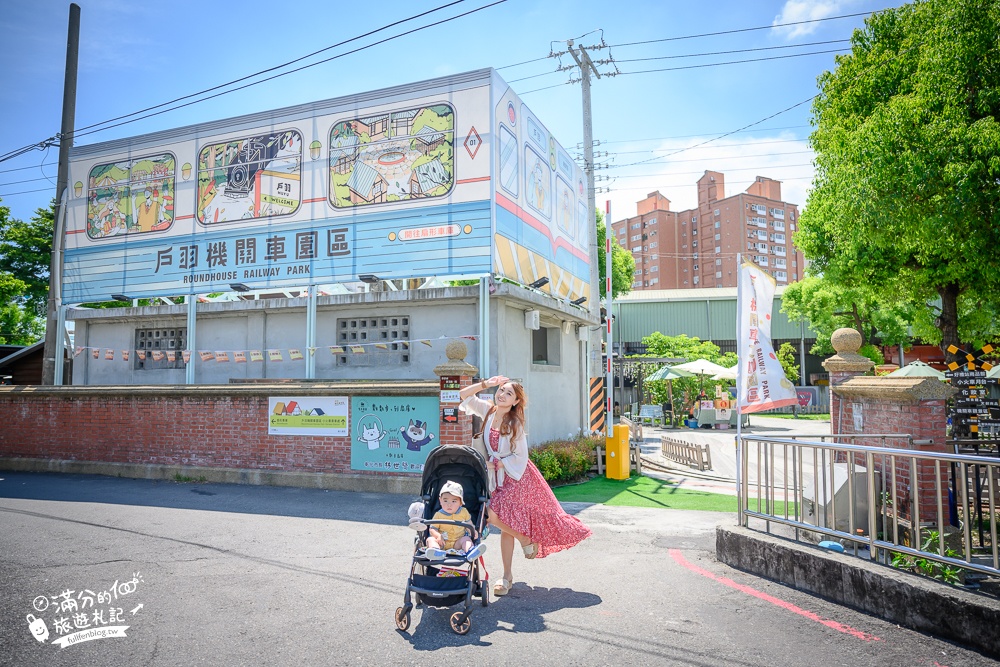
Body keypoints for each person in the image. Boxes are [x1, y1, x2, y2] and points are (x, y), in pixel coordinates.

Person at [459, 375, 591, 597]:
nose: (501, 395)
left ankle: (510, 567)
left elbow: (521, 455)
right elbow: (463, 395)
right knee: (502, 521)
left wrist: (501, 462)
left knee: (492, 516)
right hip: (497, 479)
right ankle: (510, 569)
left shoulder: (515, 423)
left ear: (516, 402)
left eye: (508, 393)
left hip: (517, 477)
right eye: (500, 390)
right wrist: (486, 384)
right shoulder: (489, 412)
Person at [424, 480, 475, 555]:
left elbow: (469, 524)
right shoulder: (438, 515)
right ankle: (435, 552)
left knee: (466, 539)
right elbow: (432, 529)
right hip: (441, 543)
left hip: (457, 543)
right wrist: (438, 536)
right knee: (430, 539)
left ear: (460, 502)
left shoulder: (464, 512)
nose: (449, 505)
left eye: (454, 501)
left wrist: (473, 531)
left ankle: (470, 551)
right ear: (440, 501)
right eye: (445, 501)